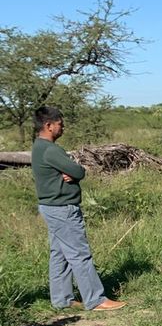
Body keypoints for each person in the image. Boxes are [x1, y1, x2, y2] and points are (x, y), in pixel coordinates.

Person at [29, 106, 126, 311]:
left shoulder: (38, 147)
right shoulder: (51, 150)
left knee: (60, 253)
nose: (62, 128)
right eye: (60, 124)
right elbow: (78, 171)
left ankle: (62, 299)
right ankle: (95, 299)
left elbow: (70, 172)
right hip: (62, 208)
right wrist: (73, 172)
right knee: (79, 253)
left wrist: (68, 173)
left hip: (50, 206)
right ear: (49, 125)